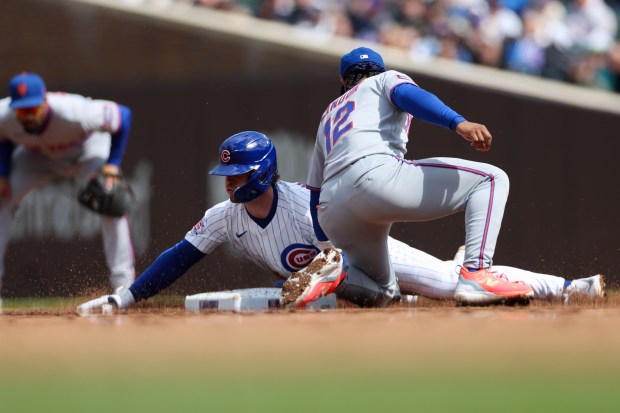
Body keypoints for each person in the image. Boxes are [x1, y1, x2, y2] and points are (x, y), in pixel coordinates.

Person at [77, 131, 603, 312]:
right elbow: (177, 258)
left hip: (368, 256)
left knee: (454, 286)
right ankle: (391, 291)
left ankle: (568, 288)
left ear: (261, 174)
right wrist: (124, 298)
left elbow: (360, 238)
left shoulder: (307, 203)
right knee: (343, 292)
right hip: (348, 280)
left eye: (236, 174)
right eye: (226, 174)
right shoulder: (224, 218)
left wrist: (341, 271)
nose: (228, 182)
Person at [292, 46, 537, 308]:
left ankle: (338, 274)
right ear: (379, 70)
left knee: (384, 291)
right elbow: (407, 94)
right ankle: (477, 274)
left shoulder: (328, 114)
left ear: (344, 80)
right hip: (374, 179)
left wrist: (325, 246)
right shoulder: (384, 80)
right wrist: (458, 123)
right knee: (491, 179)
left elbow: (314, 190)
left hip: (333, 209)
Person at [0, 72, 136, 308]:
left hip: (86, 150)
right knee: (2, 199)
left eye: (32, 109)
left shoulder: (75, 111)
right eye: (22, 111)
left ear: (44, 101)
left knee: (111, 199)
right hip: (37, 157)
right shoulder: (5, 115)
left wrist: (112, 164)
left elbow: (123, 115)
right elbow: (4, 138)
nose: (27, 116)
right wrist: (3, 173)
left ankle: (124, 287)